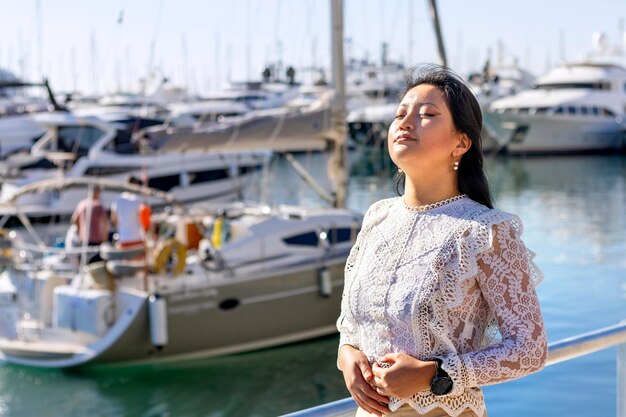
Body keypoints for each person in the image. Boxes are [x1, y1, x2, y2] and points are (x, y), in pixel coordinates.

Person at [337, 64, 547, 417]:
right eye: (400, 114)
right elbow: (351, 322)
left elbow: (530, 348)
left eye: (427, 114)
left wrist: (435, 375)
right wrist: (347, 354)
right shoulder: (377, 218)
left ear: (461, 142)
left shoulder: (487, 231)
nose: (405, 122)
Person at [111, 176, 144, 248]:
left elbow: (113, 219)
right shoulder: (138, 200)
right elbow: (143, 220)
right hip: (137, 237)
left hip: (123, 238)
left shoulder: (118, 199)